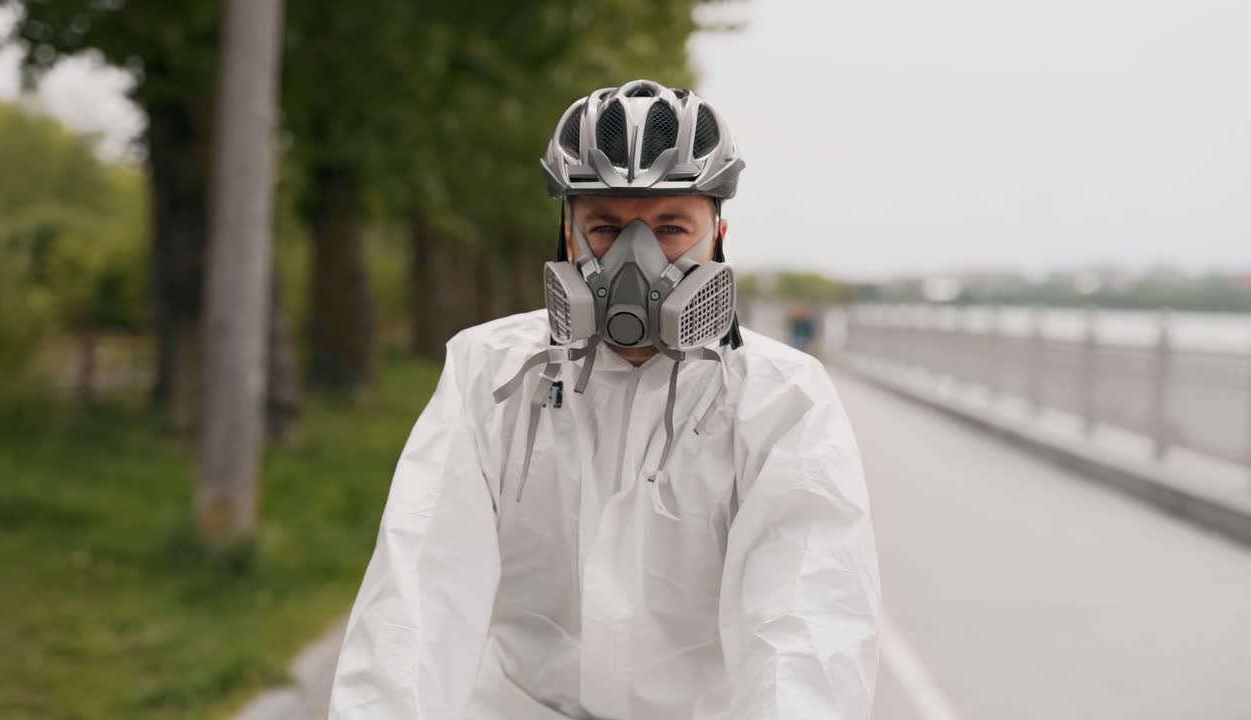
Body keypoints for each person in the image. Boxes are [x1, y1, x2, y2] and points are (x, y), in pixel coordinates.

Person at [328, 79, 880, 720]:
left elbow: (806, 624)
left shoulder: (781, 400)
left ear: (718, 235)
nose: (632, 260)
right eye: (605, 227)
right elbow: (421, 592)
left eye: (670, 228)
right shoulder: (492, 377)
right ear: (568, 235)